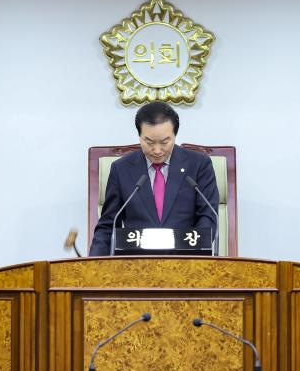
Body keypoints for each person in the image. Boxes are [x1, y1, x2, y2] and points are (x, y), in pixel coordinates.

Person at [89, 102, 220, 256]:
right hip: (135, 264)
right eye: (149, 142)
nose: (157, 150)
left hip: (186, 262)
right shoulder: (121, 169)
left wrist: (192, 258)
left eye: (164, 142)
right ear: (139, 136)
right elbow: (108, 225)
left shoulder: (199, 165)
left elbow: (208, 217)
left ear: (175, 135)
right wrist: (93, 264)